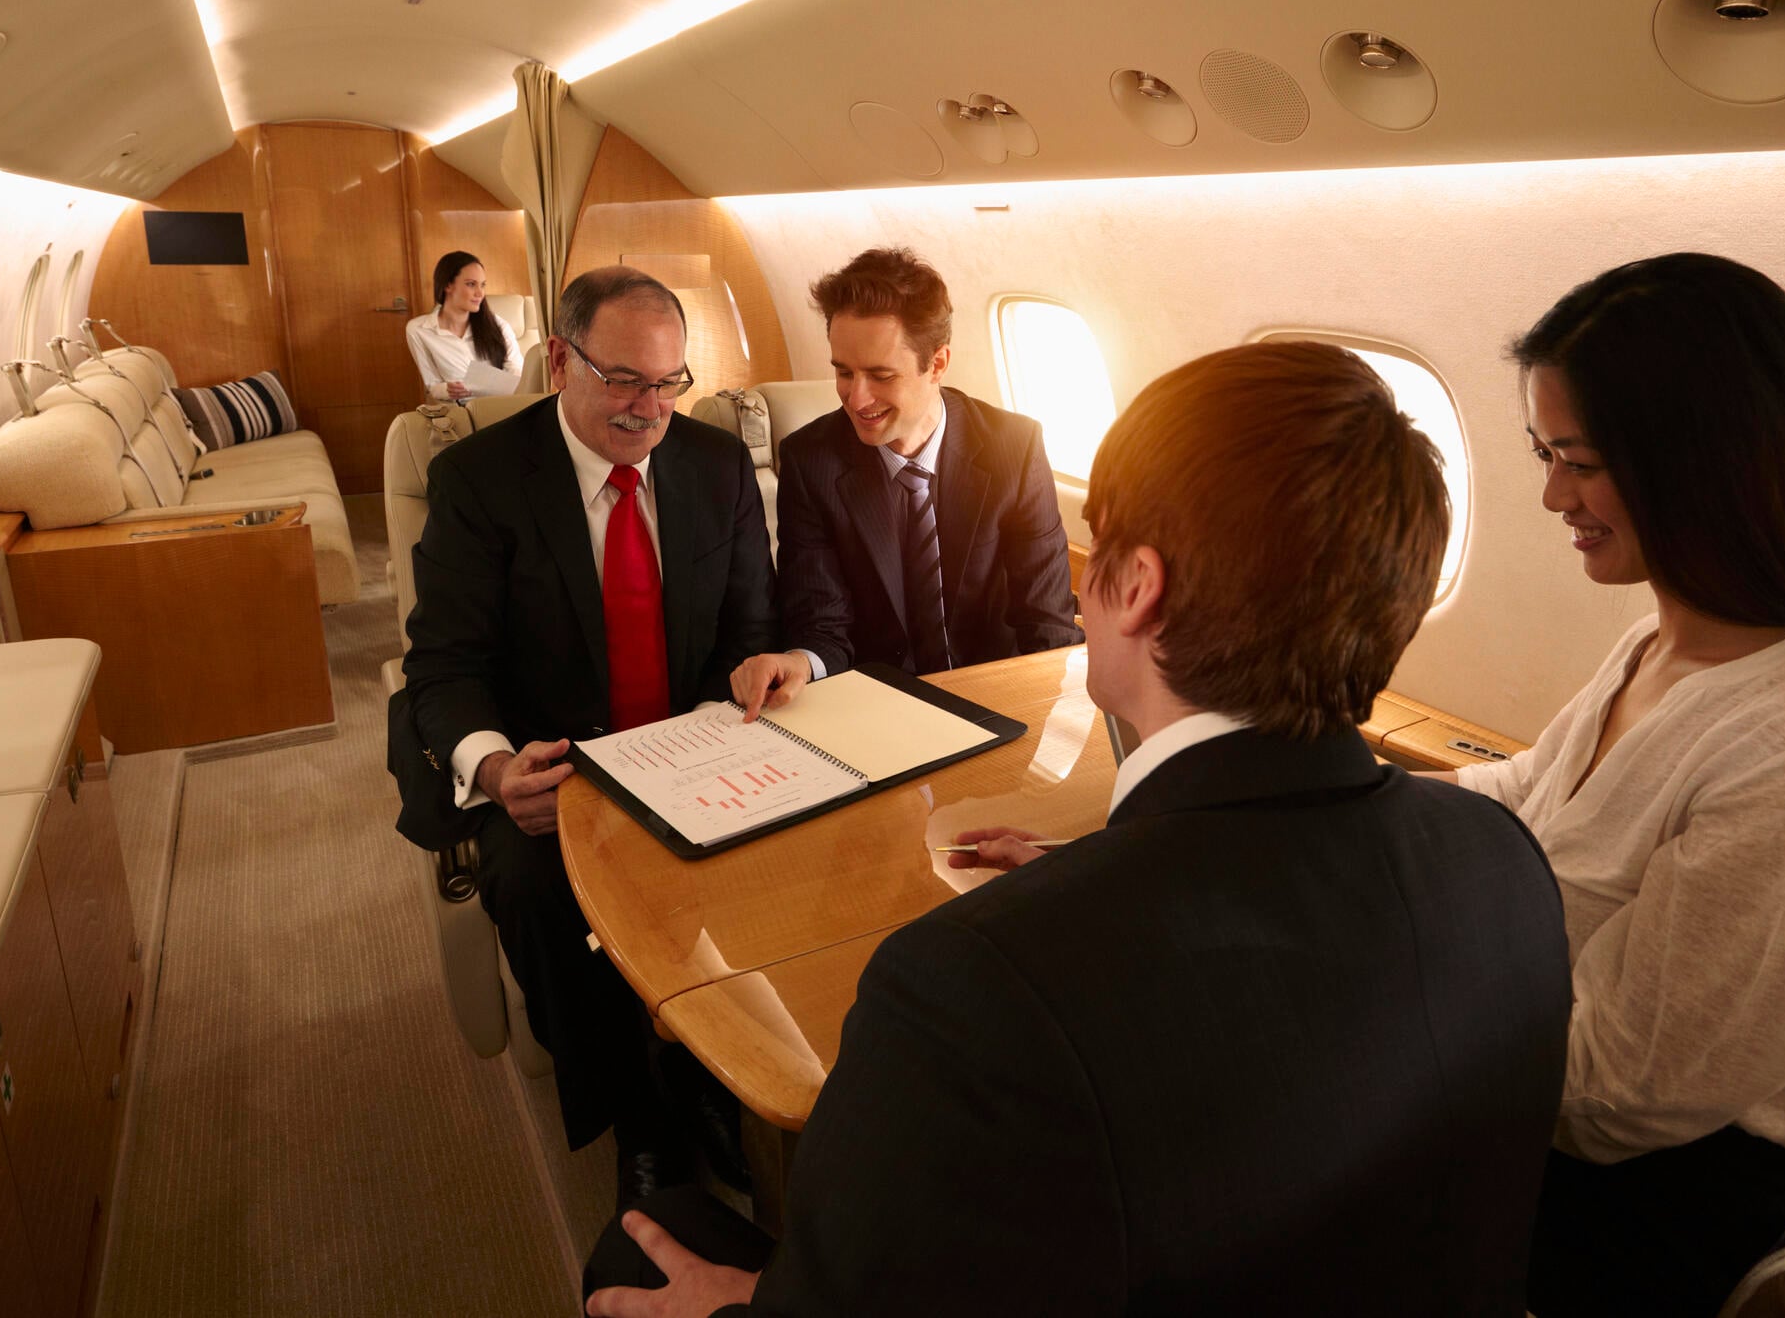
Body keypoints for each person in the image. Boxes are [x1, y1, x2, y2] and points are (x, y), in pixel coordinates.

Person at [584, 340, 1573, 1316]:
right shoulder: (1503, 862)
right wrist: (1094, 872)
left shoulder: (962, 986)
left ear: (1136, 585)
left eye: (1092, 546)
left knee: (642, 1244)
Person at [1443, 254, 1785, 1318]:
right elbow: (1525, 796)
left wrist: (1392, 1009)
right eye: (1544, 453)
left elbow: (1622, 1091)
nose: (1552, 494)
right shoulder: (1660, 645)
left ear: (1701, 462)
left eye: (1580, 461)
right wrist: (1327, 812)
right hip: (1531, 1122)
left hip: (1645, 1208)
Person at [399, 265, 777, 1199]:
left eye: (668, 382)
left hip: (695, 745)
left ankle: (711, 1074)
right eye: (625, 380)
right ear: (561, 361)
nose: (650, 409)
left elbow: (748, 629)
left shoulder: (718, 466)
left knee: (775, 849)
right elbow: (443, 666)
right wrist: (494, 770)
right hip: (552, 769)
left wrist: (721, 720)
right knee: (535, 889)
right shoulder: (479, 479)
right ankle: (637, 1119)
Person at [728, 247, 1080, 720]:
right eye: (843, 371)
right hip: (877, 711)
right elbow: (822, 625)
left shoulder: (1014, 448)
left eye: (880, 375)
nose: (856, 398)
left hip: (998, 700)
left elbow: (1047, 623)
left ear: (937, 364)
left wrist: (1050, 723)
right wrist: (799, 662)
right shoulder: (810, 461)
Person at [406, 249, 522, 401]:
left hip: (502, 404)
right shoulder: (419, 330)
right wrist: (448, 390)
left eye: (482, 285)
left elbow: (517, 373)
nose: (480, 293)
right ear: (448, 285)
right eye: (471, 284)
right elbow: (432, 384)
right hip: (462, 408)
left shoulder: (498, 325)